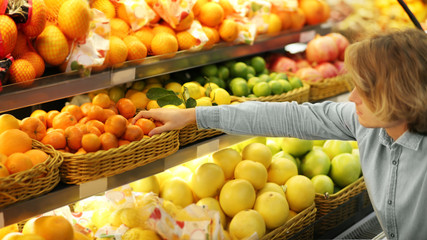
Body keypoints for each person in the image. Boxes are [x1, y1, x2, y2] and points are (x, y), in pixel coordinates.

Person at [133, 28, 427, 239]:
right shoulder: (366, 124)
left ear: (399, 95)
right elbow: (290, 116)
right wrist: (193, 115)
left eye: (365, 89)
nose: (351, 98)